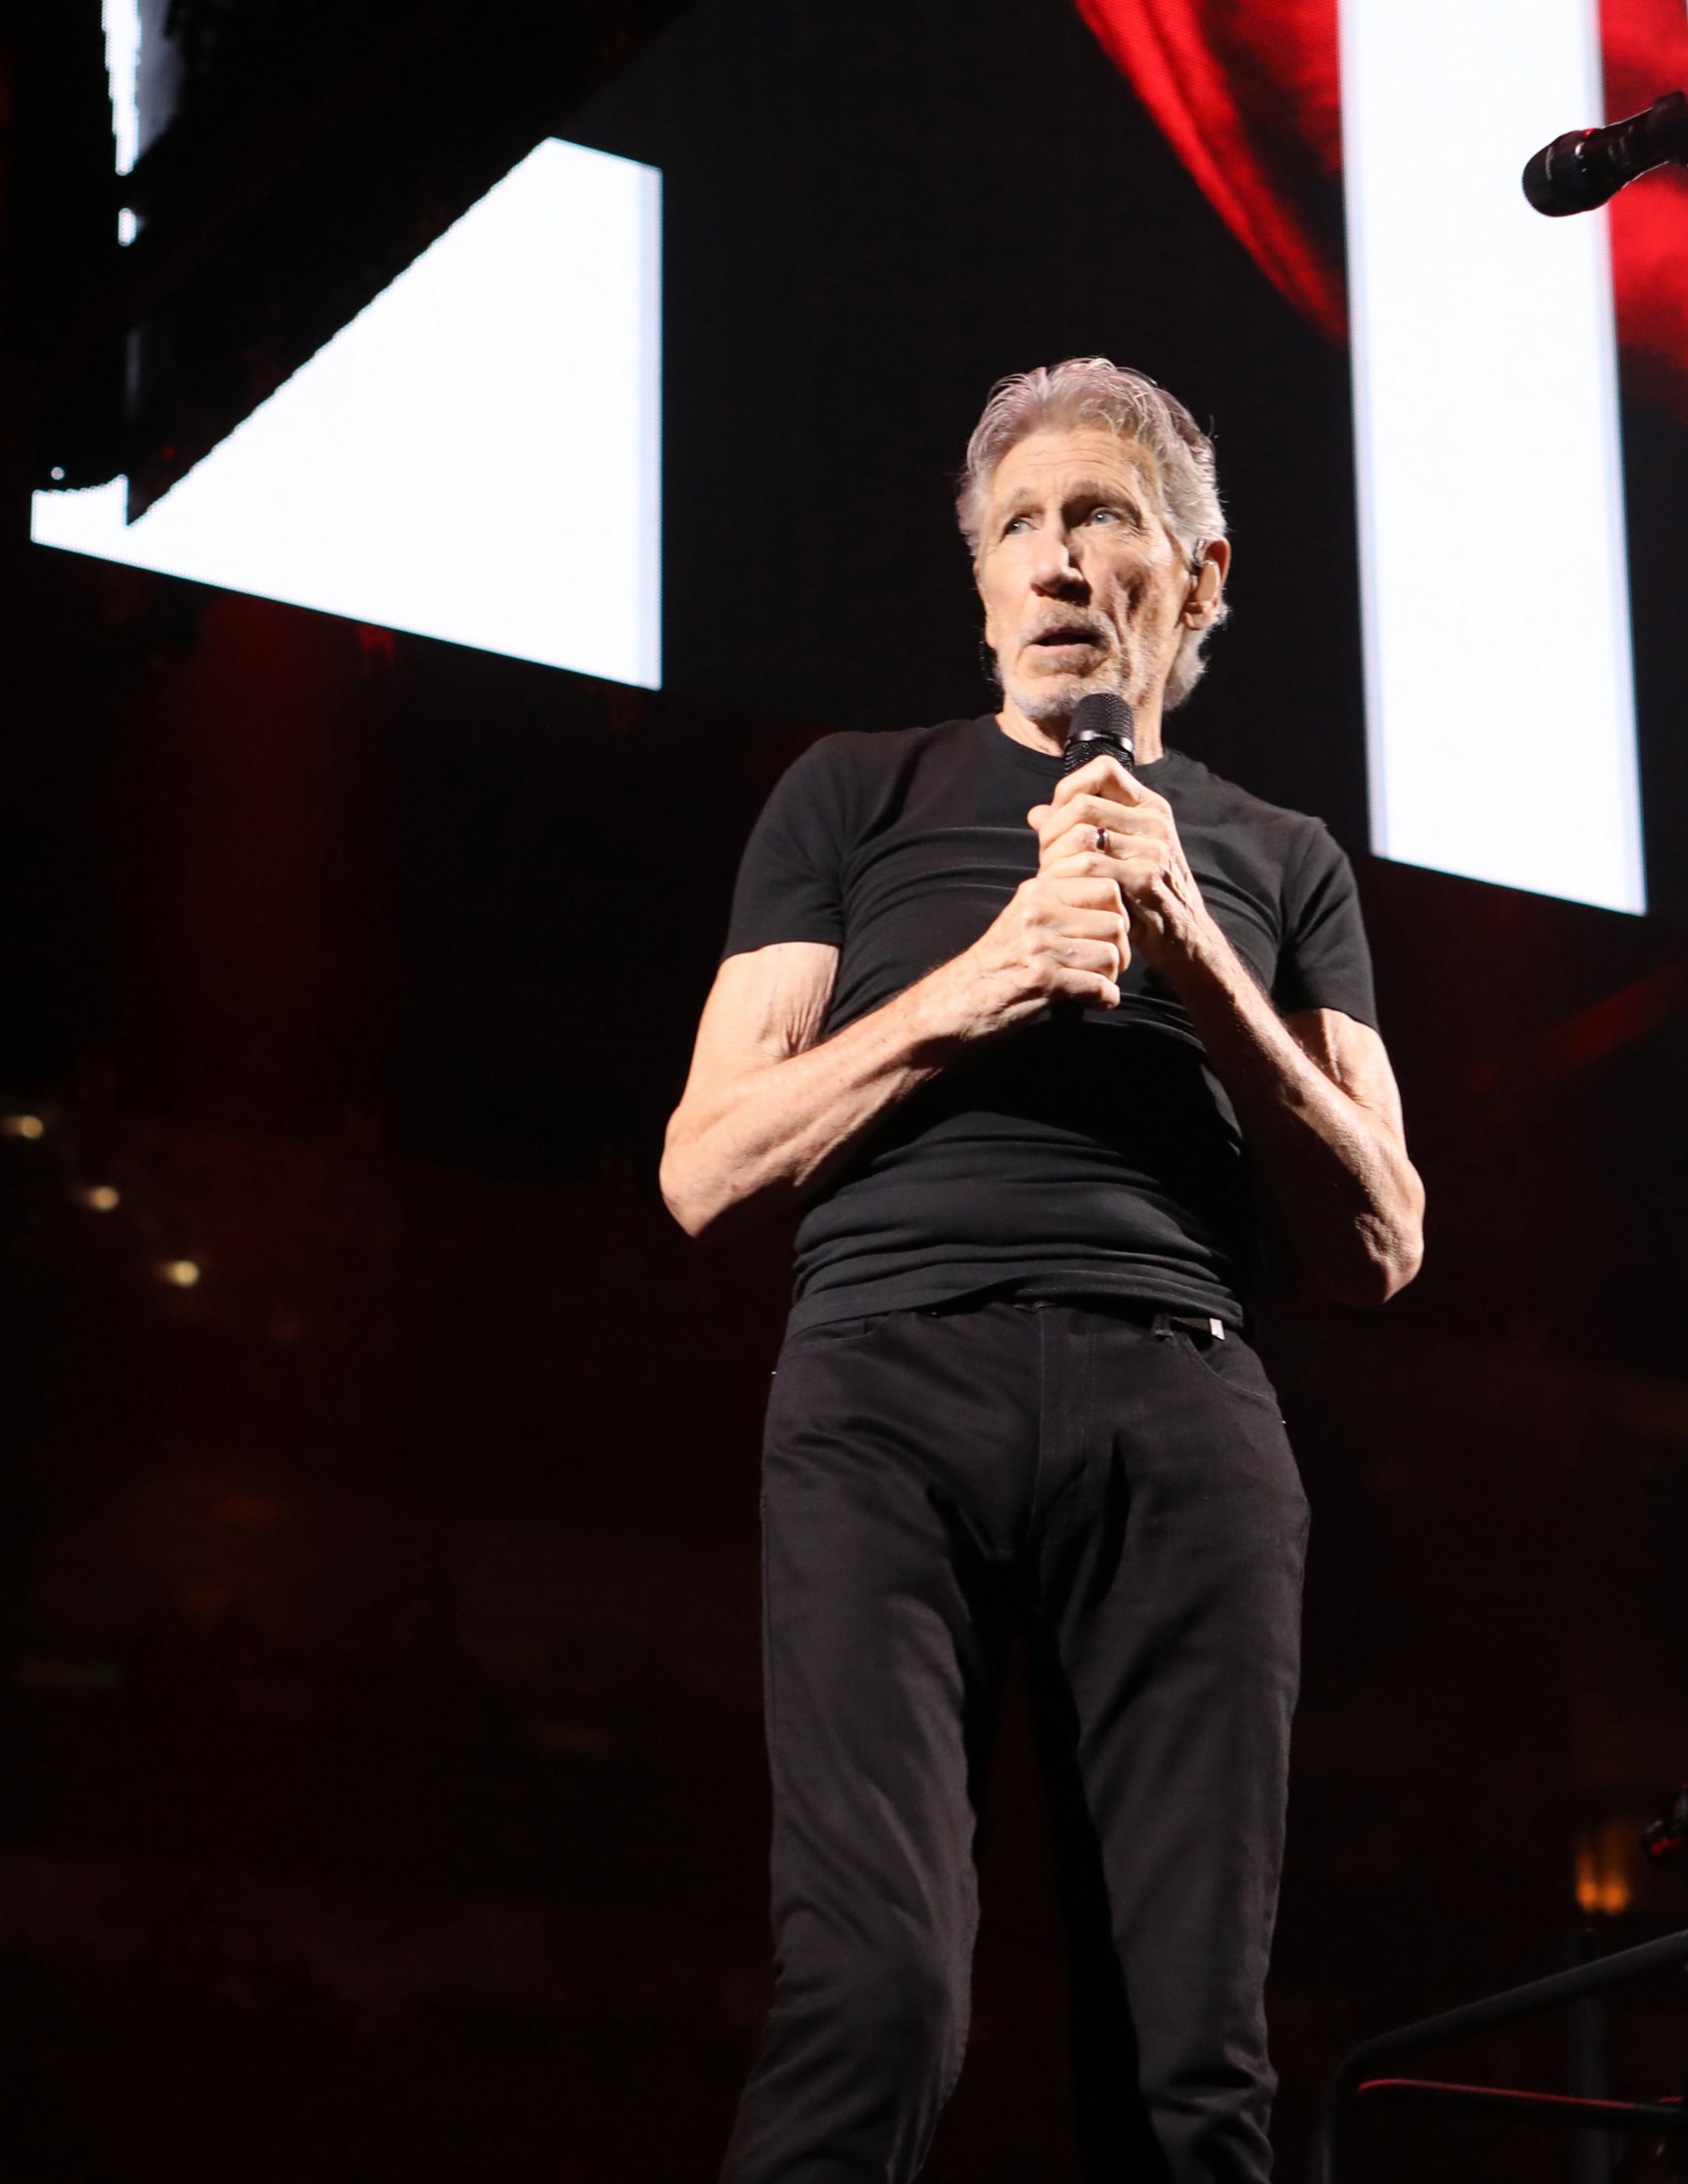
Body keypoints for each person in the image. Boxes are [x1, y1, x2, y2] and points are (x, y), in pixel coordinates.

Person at [661, 358, 1424, 2183]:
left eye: (1102, 518)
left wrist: (1195, 953)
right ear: (981, 578)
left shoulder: (1280, 856)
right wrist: (977, 982)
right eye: (1019, 525)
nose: (1059, 559)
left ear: (1201, 574)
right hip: (885, 1388)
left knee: (1192, 2066)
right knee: (880, 1992)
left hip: (1180, 1402)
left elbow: (1384, 1233)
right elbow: (705, 1163)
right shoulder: (855, 797)